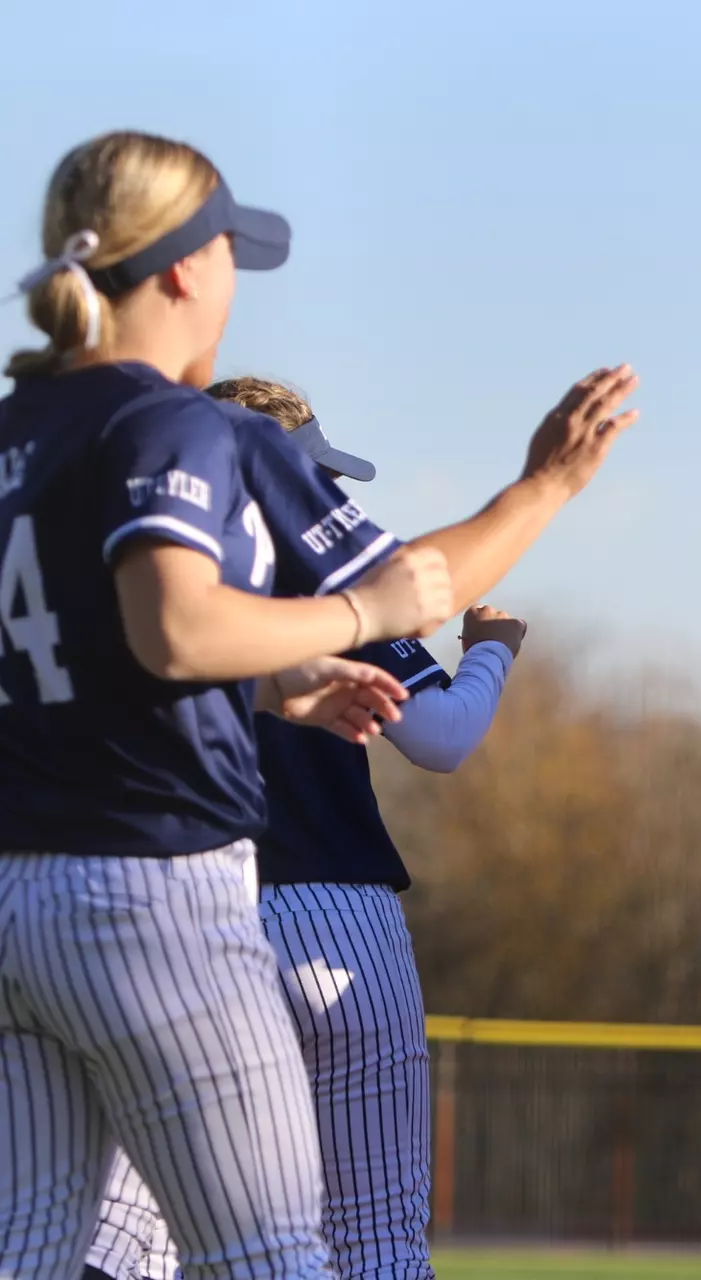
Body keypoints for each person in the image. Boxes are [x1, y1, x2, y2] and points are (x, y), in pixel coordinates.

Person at [0, 129, 456, 1279]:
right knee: (297, 1249)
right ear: (183, 270)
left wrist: (275, 680)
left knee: (60, 1247)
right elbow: (186, 632)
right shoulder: (169, 426)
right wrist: (375, 611)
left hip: (23, 883)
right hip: (178, 889)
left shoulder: (30, 440)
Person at [81, 372, 568, 1280]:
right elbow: (441, 739)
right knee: (375, 1241)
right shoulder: (337, 580)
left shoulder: (144, 583)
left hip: (189, 921)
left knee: (130, 1238)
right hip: (340, 919)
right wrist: (491, 654)